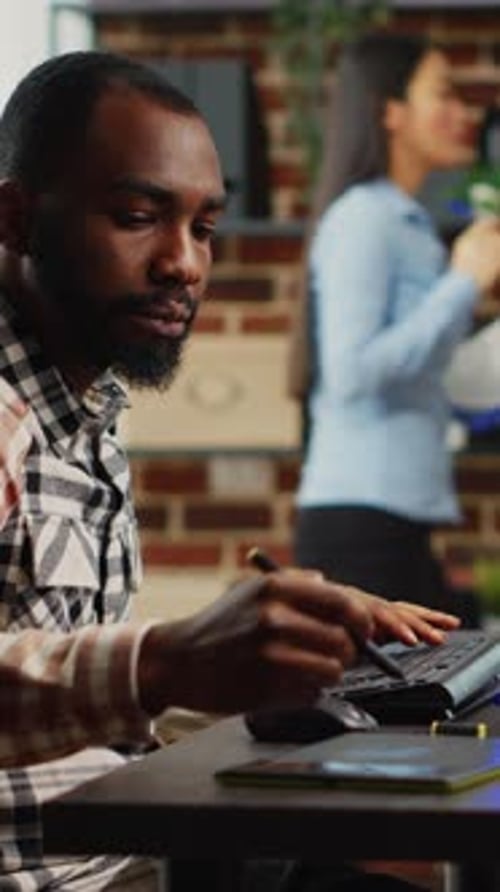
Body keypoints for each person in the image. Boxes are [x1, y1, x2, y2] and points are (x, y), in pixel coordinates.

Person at [0, 50, 460, 891]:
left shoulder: (86, 410)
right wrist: (165, 661)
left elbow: (67, 681)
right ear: (16, 220)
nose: (184, 263)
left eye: (204, 229)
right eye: (138, 216)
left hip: (127, 854)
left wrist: (250, 658)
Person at [294, 32, 500, 611]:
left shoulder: (409, 225)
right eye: (444, 93)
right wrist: (463, 282)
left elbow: (438, 377)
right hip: (360, 525)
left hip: (396, 520)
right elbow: (354, 372)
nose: (463, 112)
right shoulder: (365, 219)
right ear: (390, 111)